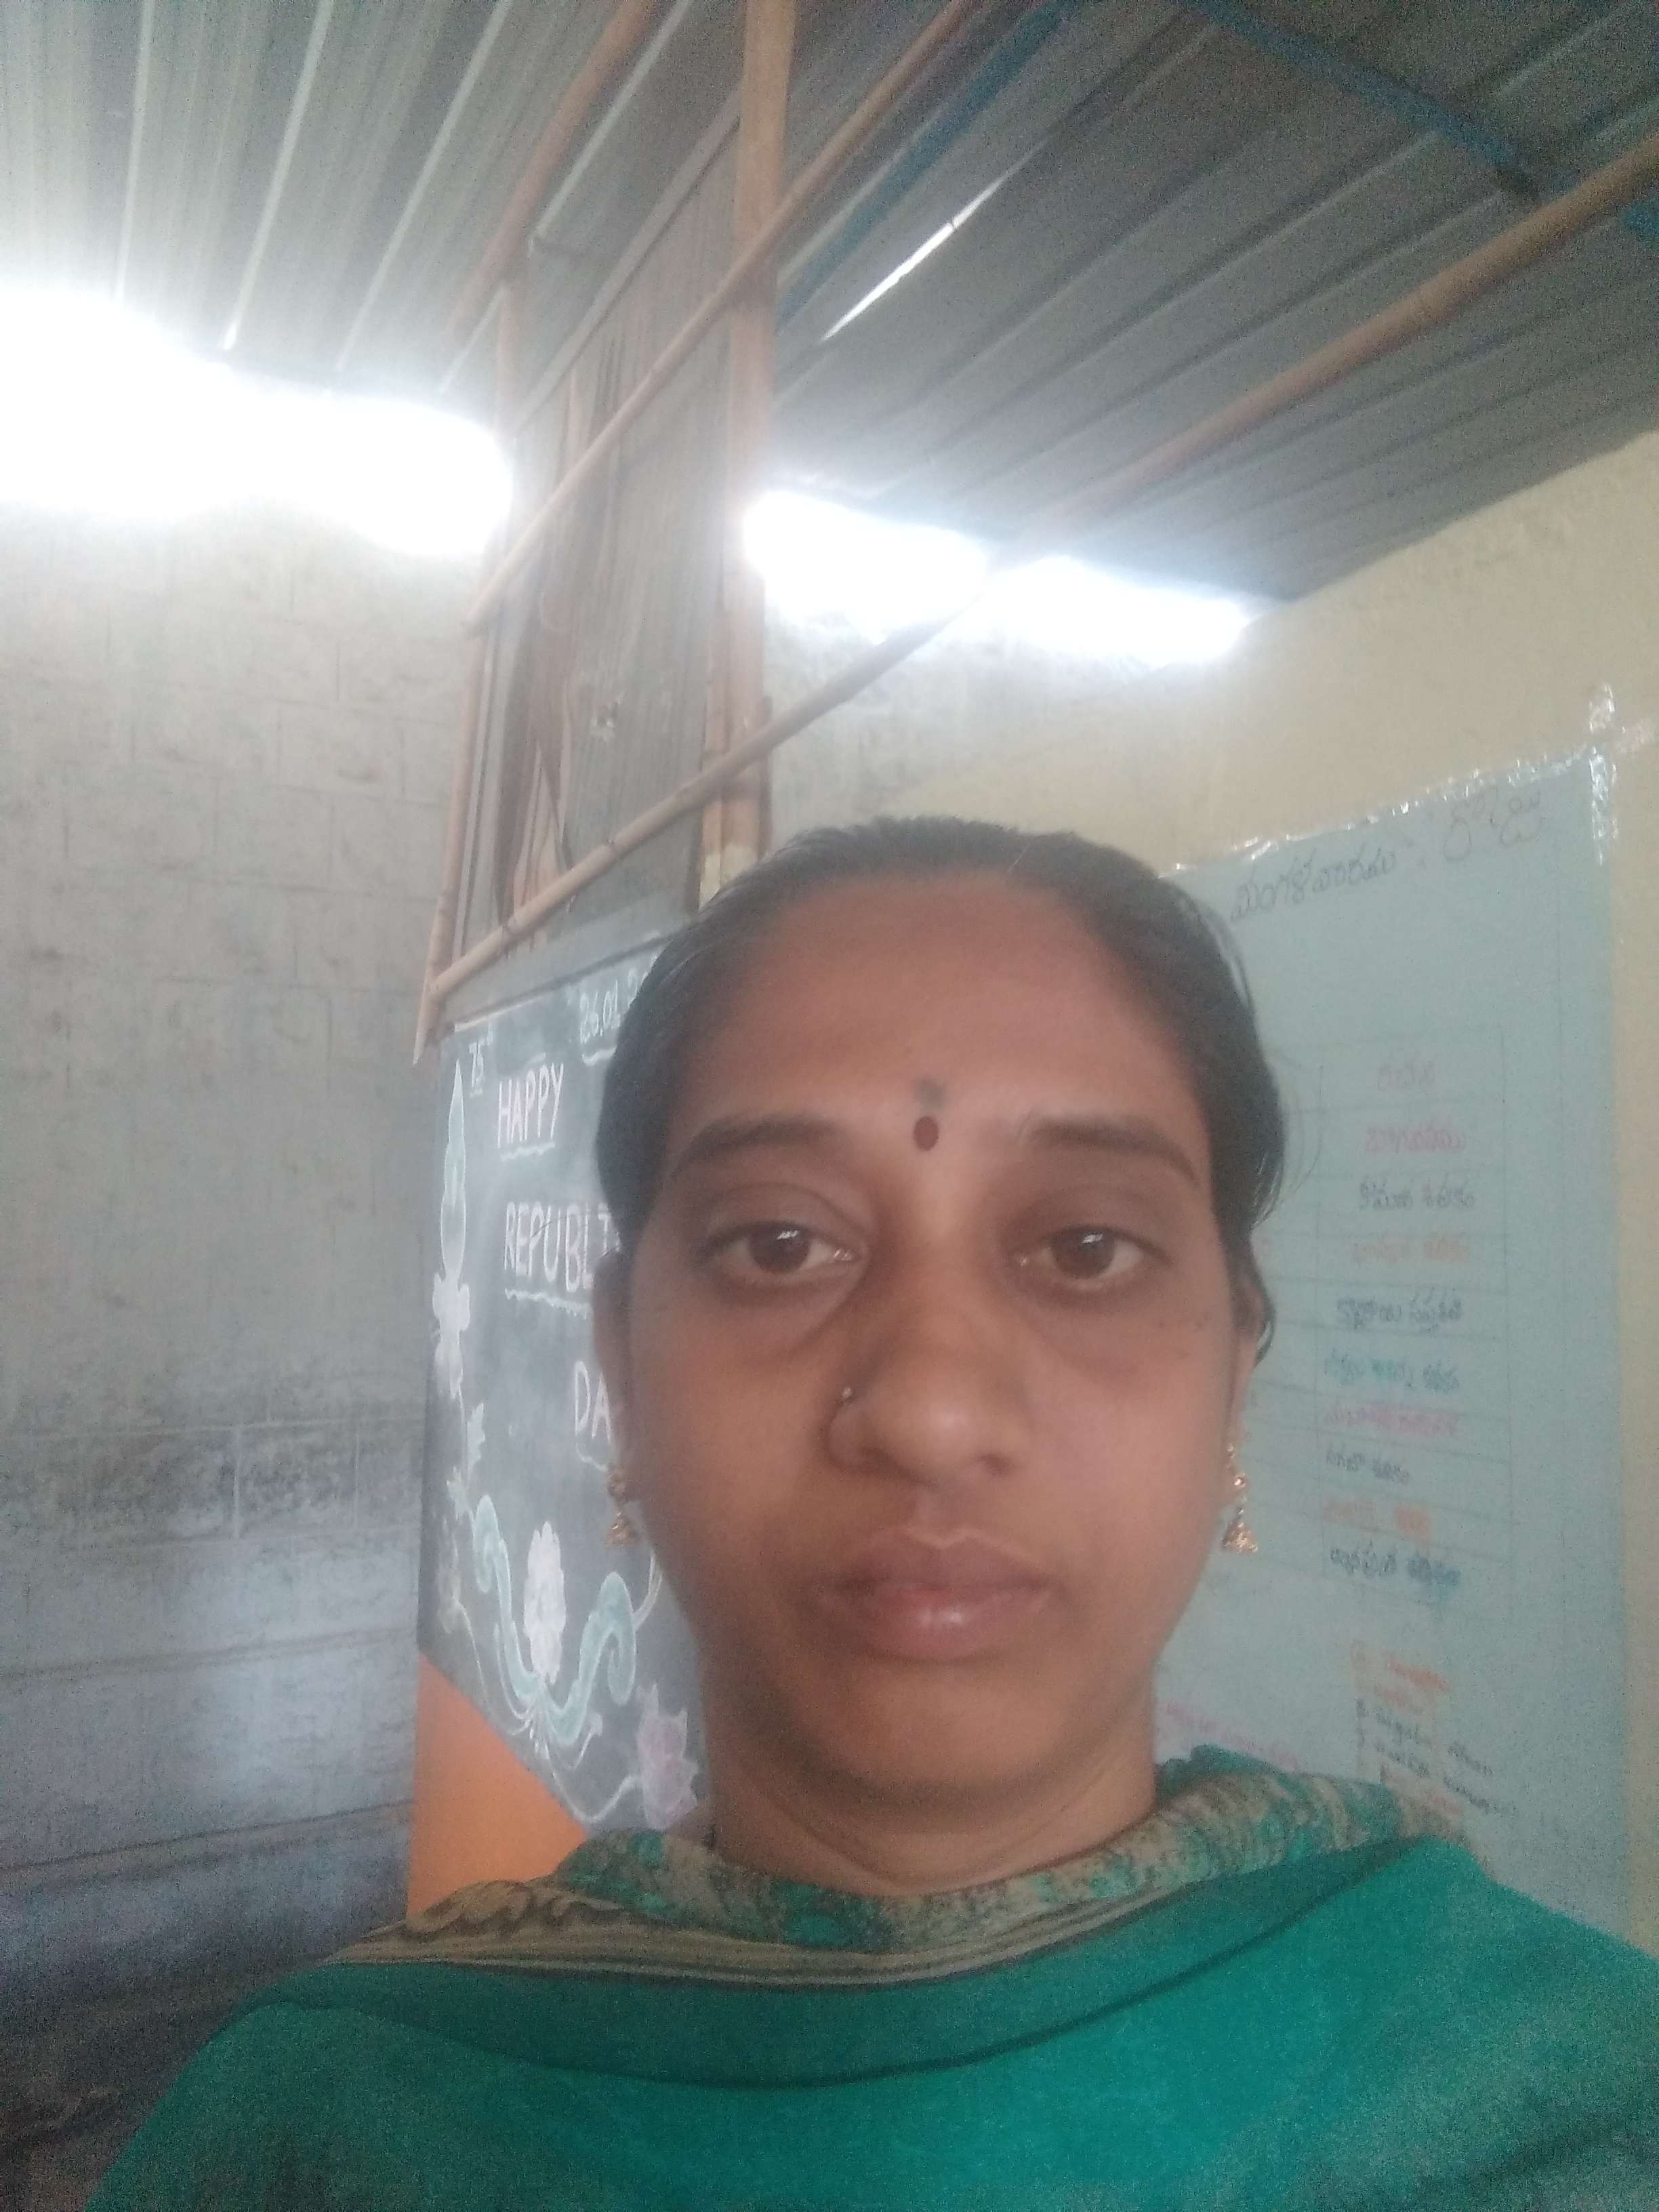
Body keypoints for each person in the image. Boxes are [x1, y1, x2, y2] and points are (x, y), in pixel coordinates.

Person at [93, 821, 1659, 2210]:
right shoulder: (322, 2134)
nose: (929, 1409)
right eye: (779, 1243)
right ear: (622, 1370)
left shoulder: (1575, 2092)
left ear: (1233, 1376)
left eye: (1088, 1250)